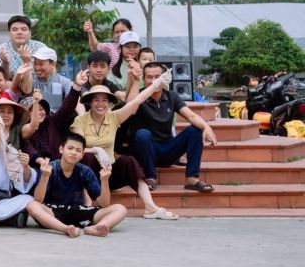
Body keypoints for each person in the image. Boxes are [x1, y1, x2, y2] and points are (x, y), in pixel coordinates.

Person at [0, 111, 79, 236]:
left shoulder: (10, 152)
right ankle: (8, 218)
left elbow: (21, 184)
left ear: (1, 131)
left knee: (28, 201)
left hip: (2, 201)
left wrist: (25, 166)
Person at [70, 83, 177, 220]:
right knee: (87, 156)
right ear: (90, 102)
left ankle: (150, 207)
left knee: (129, 161)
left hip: (108, 173)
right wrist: (96, 150)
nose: (100, 104)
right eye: (96, 100)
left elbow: (137, 100)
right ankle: (87, 206)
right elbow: (77, 149)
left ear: (109, 103)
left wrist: (157, 83)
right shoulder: (80, 120)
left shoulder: (114, 117)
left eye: (104, 100)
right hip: (87, 175)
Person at [127, 62, 219, 194]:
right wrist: (135, 81)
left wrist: (206, 127)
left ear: (164, 78)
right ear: (144, 79)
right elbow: (129, 107)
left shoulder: (171, 96)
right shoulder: (139, 97)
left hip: (167, 149)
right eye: (149, 77)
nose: (154, 81)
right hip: (145, 151)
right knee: (142, 134)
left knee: (195, 129)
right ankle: (150, 177)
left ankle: (192, 179)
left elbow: (191, 116)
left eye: (157, 77)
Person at [36, 132, 130, 237]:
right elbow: (38, 200)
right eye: (70, 148)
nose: (73, 153)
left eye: (78, 150)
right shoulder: (49, 168)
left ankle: (96, 228)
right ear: (61, 149)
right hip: (53, 213)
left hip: (79, 211)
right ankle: (65, 229)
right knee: (32, 205)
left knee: (120, 209)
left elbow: (104, 204)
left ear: (82, 155)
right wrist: (44, 177)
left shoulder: (85, 171)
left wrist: (104, 181)